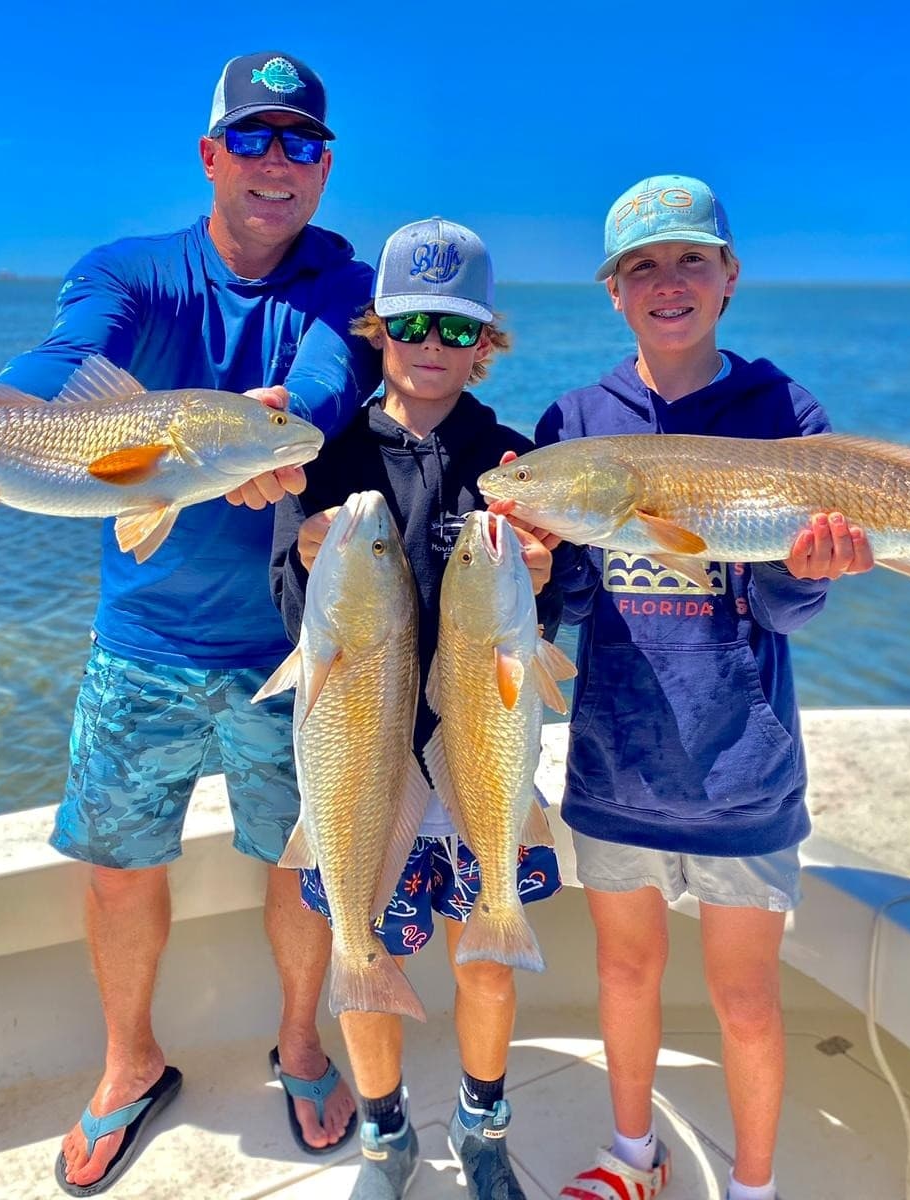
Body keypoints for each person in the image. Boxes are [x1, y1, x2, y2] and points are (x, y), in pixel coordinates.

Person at [0, 51, 378, 1196]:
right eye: (253, 139)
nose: (276, 164)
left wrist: (276, 426)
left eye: (301, 143)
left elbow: (330, 378)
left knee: (304, 868)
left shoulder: (341, 279)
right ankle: (128, 1062)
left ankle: (300, 1044)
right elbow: (58, 369)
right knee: (115, 869)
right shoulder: (132, 272)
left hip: (289, 649)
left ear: (325, 167)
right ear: (211, 156)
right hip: (139, 644)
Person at [510, 176, 873, 1200]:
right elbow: (572, 595)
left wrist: (809, 567)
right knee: (623, 976)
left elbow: (786, 613)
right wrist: (540, 568)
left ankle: (752, 1188)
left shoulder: (782, 411)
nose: (666, 283)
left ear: (728, 279)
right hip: (614, 765)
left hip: (740, 772)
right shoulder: (576, 420)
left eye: (688, 261)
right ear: (613, 292)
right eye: (641, 267)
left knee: (746, 998)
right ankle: (633, 1157)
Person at [269, 218, 571, 1200]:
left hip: (479, 762)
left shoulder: (515, 460)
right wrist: (309, 558)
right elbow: (287, 604)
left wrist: (546, 571)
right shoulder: (324, 455)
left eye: (455, 328)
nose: (431, 346)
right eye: (410, 325)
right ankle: (385, 1139)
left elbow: (549, 620)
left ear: (486, 343)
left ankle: (483, 1126)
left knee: (485, 963)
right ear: (376, 329)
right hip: (361, 766)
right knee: (365, 942)